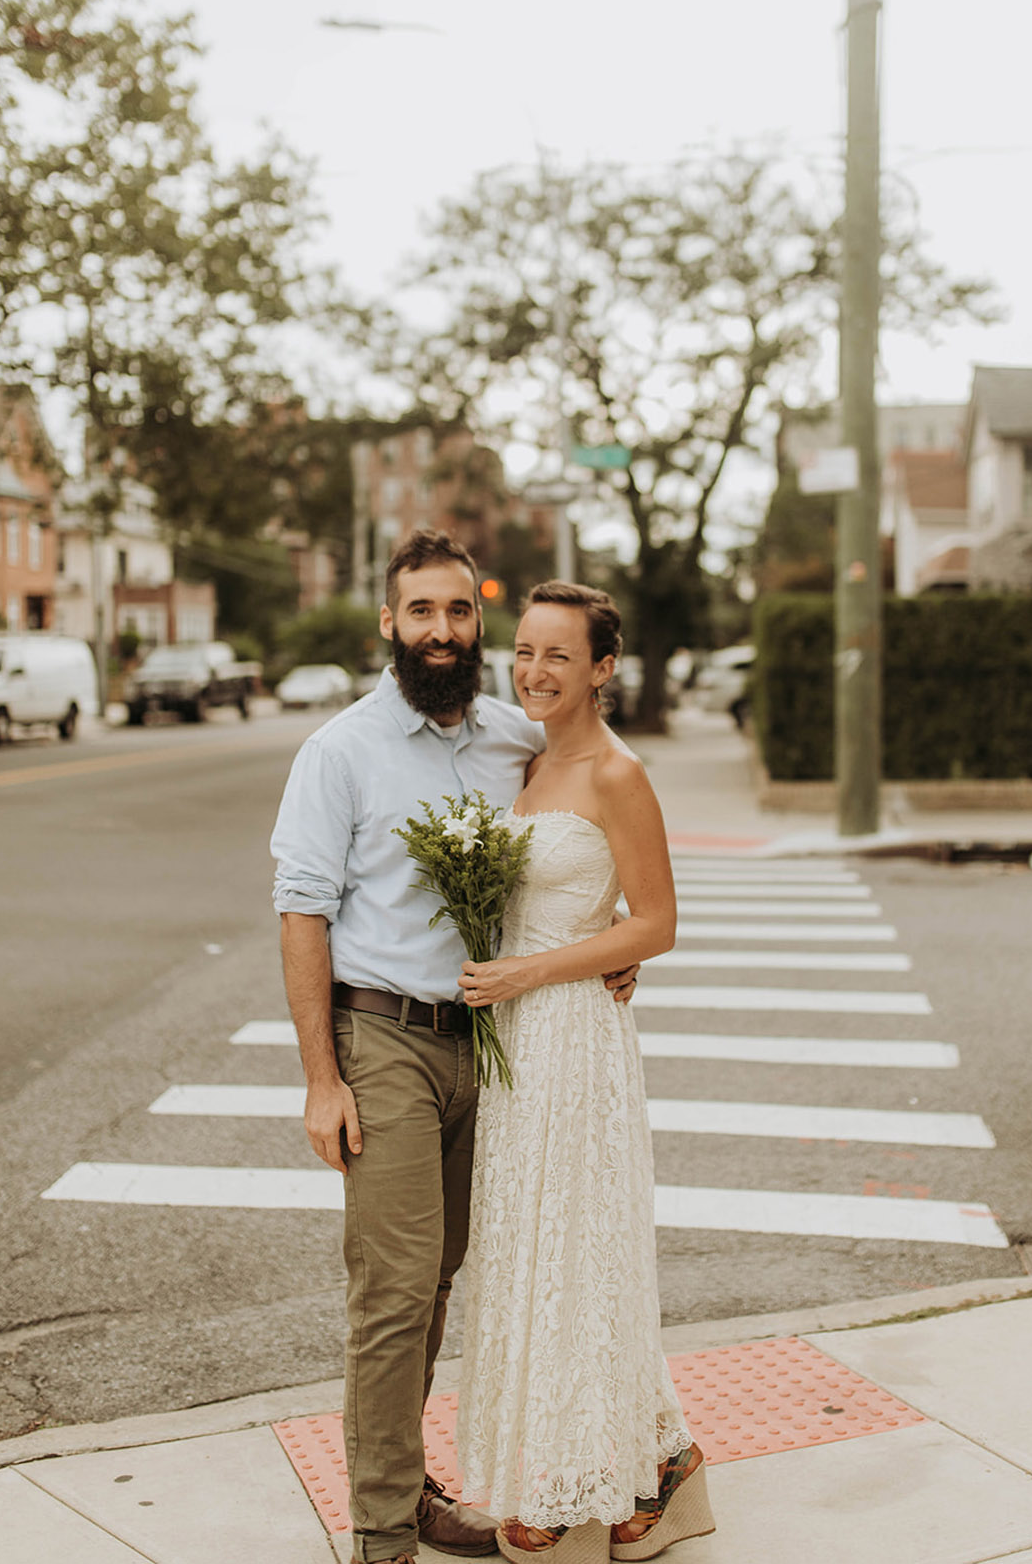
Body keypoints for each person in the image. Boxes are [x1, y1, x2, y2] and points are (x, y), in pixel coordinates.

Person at [270, 530, 641, 1564]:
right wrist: (320, 1080)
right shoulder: (338, 751)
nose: (442, 630)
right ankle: (384, 1533)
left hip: (492, 1044)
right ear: (388, 623)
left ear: (478, 620)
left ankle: (412, 1484)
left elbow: (590, 826)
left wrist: (619, 942)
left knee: (440, 1279)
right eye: (420, 611)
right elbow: (301, 911)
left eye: (459, 611)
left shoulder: (511, 735)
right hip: (382, 1035)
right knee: (392, 1292)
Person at [455, 582, 714, 1564]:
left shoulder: (616, 770)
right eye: (524, 650)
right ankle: (658, 1459)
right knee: (540, 1251)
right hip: (521, 1041)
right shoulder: (523, 757)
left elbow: (656, 919)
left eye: (559, 654)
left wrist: (531, 965)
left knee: (579, 1251)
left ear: (603, 667)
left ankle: (587, 1484)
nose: (534, 669)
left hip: (575, 1038)